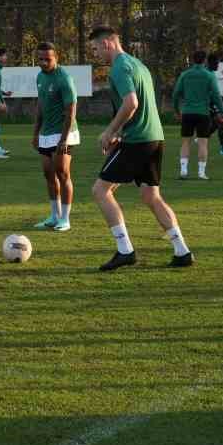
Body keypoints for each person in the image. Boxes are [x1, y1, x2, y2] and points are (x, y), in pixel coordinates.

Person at [87, 26, 194, 271]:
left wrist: (110, 131)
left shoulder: (119, 68)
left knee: (100, 191)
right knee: (150, 196)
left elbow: (132, 103)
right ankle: (182, 251)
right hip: (154, 138)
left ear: (107, 44)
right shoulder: (139, 65)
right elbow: (142, 106)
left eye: (95, 48)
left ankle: (125, 250)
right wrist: (120, 132)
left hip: (138, 140)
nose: (95, 54)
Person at [31, 42, 79, 231]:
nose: (43, 62)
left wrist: (64, 139)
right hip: (46, 133)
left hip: (64, 132)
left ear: (56, 58)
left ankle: (65, 219)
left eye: (47, 59)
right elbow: (41, 106)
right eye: (40, 59)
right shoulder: (40, 77)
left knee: (63, 173)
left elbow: (71, 111)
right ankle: (54, 216)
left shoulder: (64, 79)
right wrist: (36, 133)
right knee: (48, 174)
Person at [173, 49, 223, 180]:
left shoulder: (185, 74)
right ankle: (201, 173)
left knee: (185, 143)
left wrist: (177, 111)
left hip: (188, 112)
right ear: (205, 60)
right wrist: (222, 112)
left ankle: (183, 171)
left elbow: (176, 94)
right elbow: (216, 96)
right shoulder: (209, 75)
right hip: (203, 113)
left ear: (193, 59)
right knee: (203, 143)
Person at [205, 52, 223, 156]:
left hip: (211, 103)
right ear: (210, 63)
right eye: (216, 63)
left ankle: (204, 136)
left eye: (218, 63)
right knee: (221, 122)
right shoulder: (206, 73)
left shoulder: (211, 73)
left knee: (219, 123)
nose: (218, 65)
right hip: (207, 104)